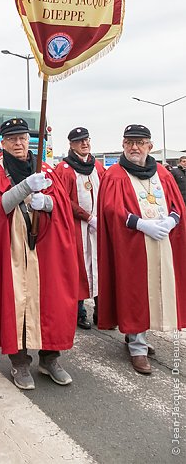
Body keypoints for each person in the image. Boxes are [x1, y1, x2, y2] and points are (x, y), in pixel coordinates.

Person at [0, 118, 78, 391]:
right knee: (16, 303)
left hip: (45, 250)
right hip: (12, 249)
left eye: (22, 138)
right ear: (3, 143)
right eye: (12, 139)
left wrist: (46, 202)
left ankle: (50, 358)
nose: (19, 143)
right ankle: (20, 361)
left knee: (51, 302)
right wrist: (24, 188)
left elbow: (61, 206)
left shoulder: (45, 168)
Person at [97, 124, 186, 375]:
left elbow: (176, 203)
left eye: (140, 142)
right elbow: (111, 210)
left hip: (161, 242)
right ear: (123, 144)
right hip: (132, 244)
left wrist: (172, 220)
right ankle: (137, 346)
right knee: (136, 292)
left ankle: (139, 336)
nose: (134, 147)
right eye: (129, 142)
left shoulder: (162, 172)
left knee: (158, 289)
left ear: (150, 145)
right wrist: (141, 224)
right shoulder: (115, 174)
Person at [55, 127, 105, 329]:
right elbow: (63, 200)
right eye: (79, 141)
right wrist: (87, 217)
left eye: (86, 140)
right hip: (76, 227)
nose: (84, 143)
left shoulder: (98, 167)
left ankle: (102, 313)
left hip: (97, 227)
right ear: (71, 145)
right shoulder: (64, 169)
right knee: (79, 268)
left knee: (100, 268)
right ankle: (79, 313)